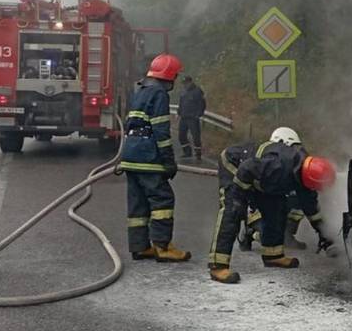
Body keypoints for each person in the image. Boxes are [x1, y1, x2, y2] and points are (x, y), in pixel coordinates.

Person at [207, 126, 336, 284]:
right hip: (235, 164)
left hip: (260, 177)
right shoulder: (278, 165)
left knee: (277, 208)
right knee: (232, 210)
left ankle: (273, 255)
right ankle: (218, 265)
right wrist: (241, 196)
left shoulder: (305, 171)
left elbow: (311, 209)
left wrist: (325, 236)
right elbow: (246, 169)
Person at [118, 53, 190, 262]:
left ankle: (140, 247)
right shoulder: (159, 93)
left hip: (131, 154)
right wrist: (168, 160)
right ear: (169, 76)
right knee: (162, 199)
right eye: (175, 76)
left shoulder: (139, 90)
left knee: (138, 202)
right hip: (147, 155)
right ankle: (163, 246)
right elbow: (160, 130)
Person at [177, 75, 206, 159]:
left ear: (190, 82)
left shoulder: (197, 91)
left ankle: (198, 154)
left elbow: (202, 104)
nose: (185, 85)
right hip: (183, 117)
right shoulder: (183, 92)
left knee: (195, 136)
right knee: (181, 135)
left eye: (186, 83)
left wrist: (198, 114)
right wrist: (179, 112)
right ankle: (187, 152)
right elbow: (181, 103)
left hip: (193, 118)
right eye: (184, 84)